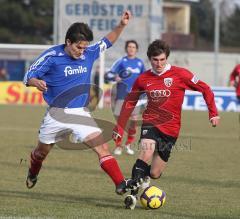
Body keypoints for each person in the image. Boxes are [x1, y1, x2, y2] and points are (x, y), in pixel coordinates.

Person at [23, 10, 136, 196]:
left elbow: (108, 41)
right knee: (40, 153)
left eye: (84, 47)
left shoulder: (88, 53)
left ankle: (120, 183)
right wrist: (36, 82)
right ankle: (33, 171)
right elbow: (29, 75)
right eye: (78, 47)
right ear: (68, 42)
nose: (82, 51)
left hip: (80, 113)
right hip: (56, 115)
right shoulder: (51, 56)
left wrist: (122, 25)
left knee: (102, 148)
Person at [112, 40, 220, 209]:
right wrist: (119, 127)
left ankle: (139, 179)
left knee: (155, 172)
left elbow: (205, 88)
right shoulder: (143, 78)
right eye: (155, 60)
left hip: (171, 129)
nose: (159, 63)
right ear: (150, 59)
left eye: (162, 59)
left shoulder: (181, 75)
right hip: (151, 121)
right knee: (146, 152)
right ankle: (132, 196)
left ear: (167, 58)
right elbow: (129, 103)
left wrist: (213, 113)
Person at [105, 40, 145, 155]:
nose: (131, 49)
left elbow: (145, 77)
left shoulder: (140, 63)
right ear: (126, 49)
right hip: (122, 93)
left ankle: (128, 144)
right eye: (129, 47)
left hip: (135, 95)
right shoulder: (121, 61)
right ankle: (118, 146)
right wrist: (115, 78)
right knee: (121, 121)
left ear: (136, 49)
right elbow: (109, 74)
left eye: (133, 47)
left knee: (134, 120)